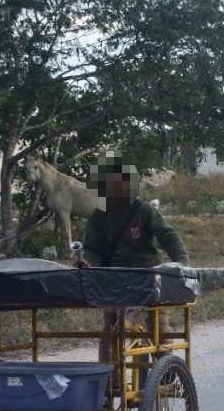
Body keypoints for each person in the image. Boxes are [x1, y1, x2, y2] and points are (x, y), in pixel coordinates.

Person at [76, 153, 189, 361]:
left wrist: (181, 261)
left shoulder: (144, 211)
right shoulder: (97, 217)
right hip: (115, 278)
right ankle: (110, 383)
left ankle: (165, 367)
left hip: (148, 276)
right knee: (110, 331)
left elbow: (168, 235)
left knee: (159, 325)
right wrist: (88, 261)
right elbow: (93, 249)